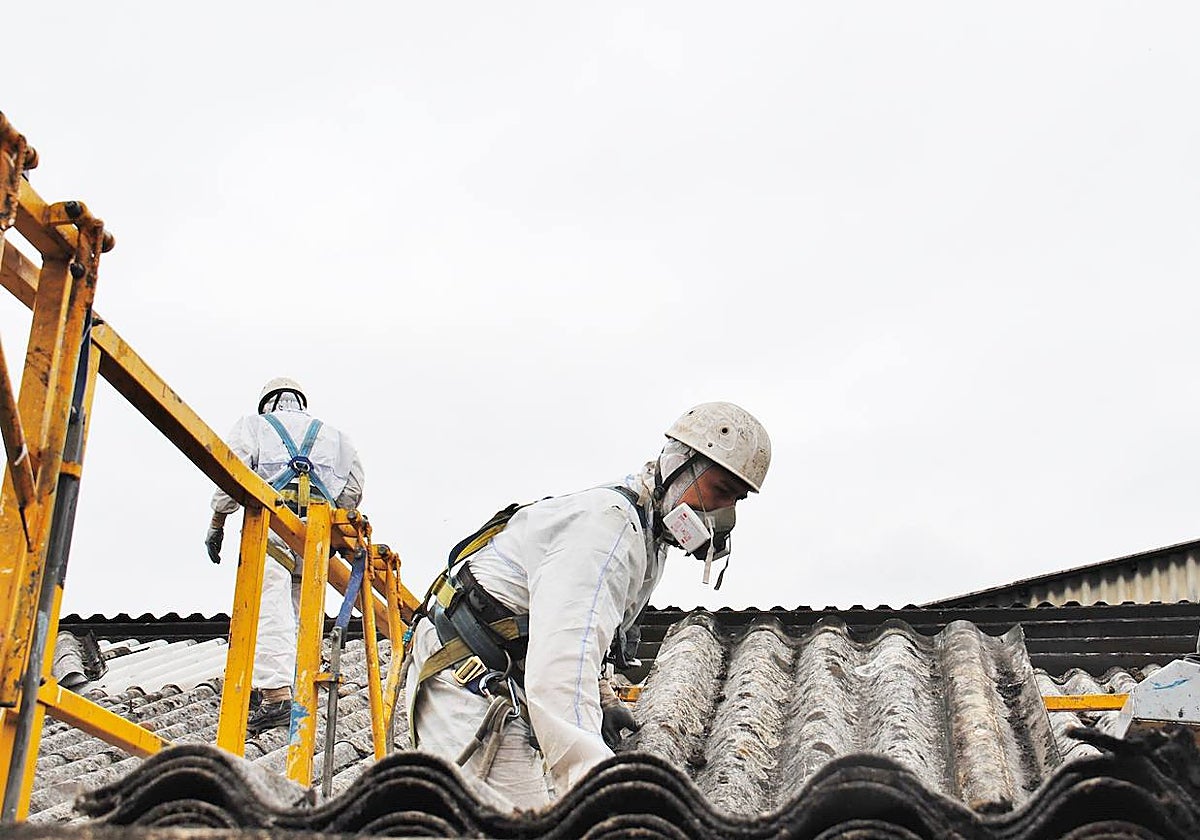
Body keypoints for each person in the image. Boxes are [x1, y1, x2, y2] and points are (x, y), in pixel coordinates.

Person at [405, 401, 770, 809]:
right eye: (721, 492)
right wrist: (598, 792)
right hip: (465, 680)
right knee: (514, 821)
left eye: (736, 500)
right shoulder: (608, 527)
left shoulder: (646, 537)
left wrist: (604, 699)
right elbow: (563, 661)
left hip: (498, 675)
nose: (725, 513)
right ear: (679, 464)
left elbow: (588, 632)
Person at [204, 377, 365, 734]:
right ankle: (295, 682)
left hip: (273, 526)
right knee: (300, 612)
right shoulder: (335, 435)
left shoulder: (254, 426)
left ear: (268, 404)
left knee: (268, 608)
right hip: (315, 536)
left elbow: (230, 475)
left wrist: (218, 521)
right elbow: (354, 487)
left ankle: (276, 694)